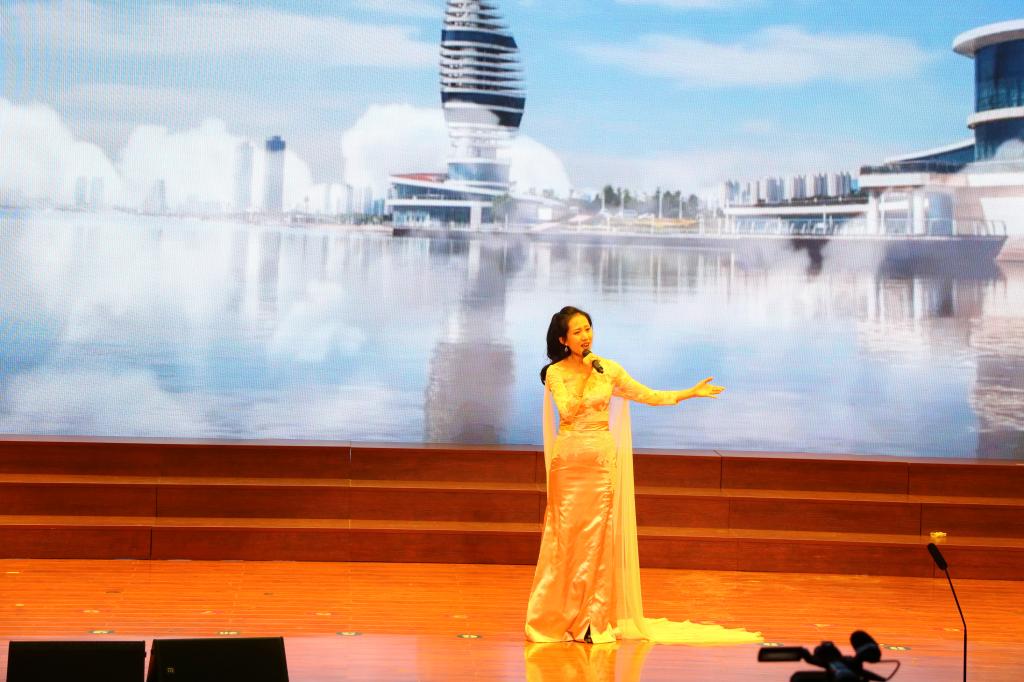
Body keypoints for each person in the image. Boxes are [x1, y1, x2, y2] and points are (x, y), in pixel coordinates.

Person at [524, 306, 761, 645]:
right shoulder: (555, 374)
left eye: (588, 328)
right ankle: (553, 618)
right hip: (569, 464)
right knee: (564, 538)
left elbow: (647, 395)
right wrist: (590, 375)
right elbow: (569, 410)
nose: (586, 336)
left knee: (598, 539)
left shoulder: (609, 369)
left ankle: (592, 621)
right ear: (563, 340)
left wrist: (688, 393)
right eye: (577, 331)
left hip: (600, 463)